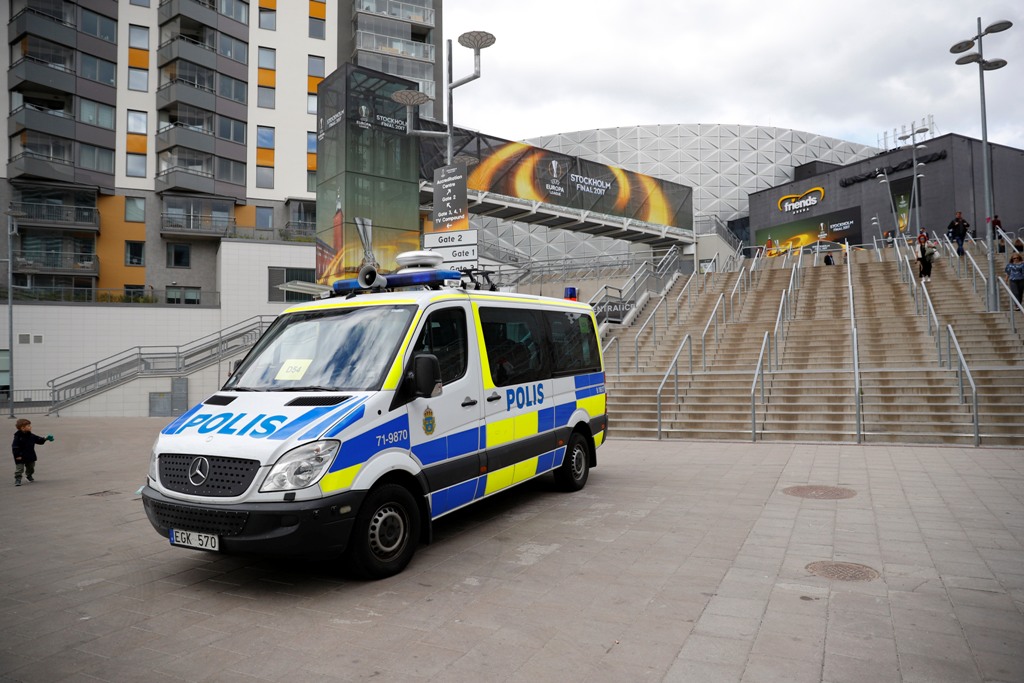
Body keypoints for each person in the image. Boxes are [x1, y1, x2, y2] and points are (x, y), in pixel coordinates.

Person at [12, 418, 53, 486]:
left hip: (30, 455)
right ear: (22, 428)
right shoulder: (18, 437)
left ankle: (29, 475)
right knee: (19, 469)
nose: (30, 427)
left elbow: (39, 440)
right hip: (20, 456)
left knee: (31, 467)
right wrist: (17, 455)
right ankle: (18, 479)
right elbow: (15, 447)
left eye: (30, 425)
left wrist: (46, 438)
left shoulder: (31, 435)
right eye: (28, 426)